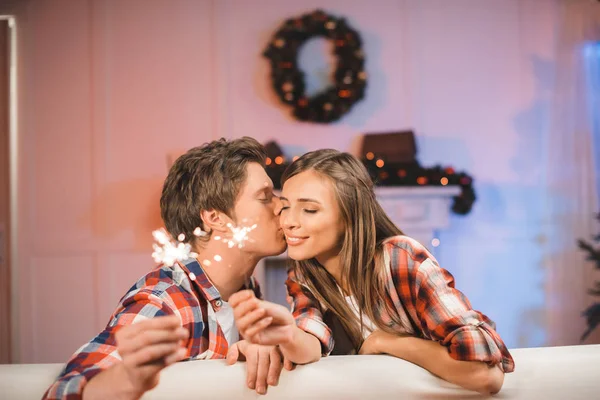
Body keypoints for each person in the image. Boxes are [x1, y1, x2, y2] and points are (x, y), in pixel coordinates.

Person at [230, 149, 515, 395]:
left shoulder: (400, 259)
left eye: (310, 210)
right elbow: (312, 344)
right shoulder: (304, 273)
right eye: (287, 206)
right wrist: (286, 335)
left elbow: (485, 375)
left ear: (349, 216)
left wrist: (386, 342)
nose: (289, 222)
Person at [43, 137, 289, 399]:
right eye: (265, 197)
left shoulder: (248, 292)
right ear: (215, 218)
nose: (281, 205)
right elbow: (64, 391)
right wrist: (125, 378)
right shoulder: (164, 301)